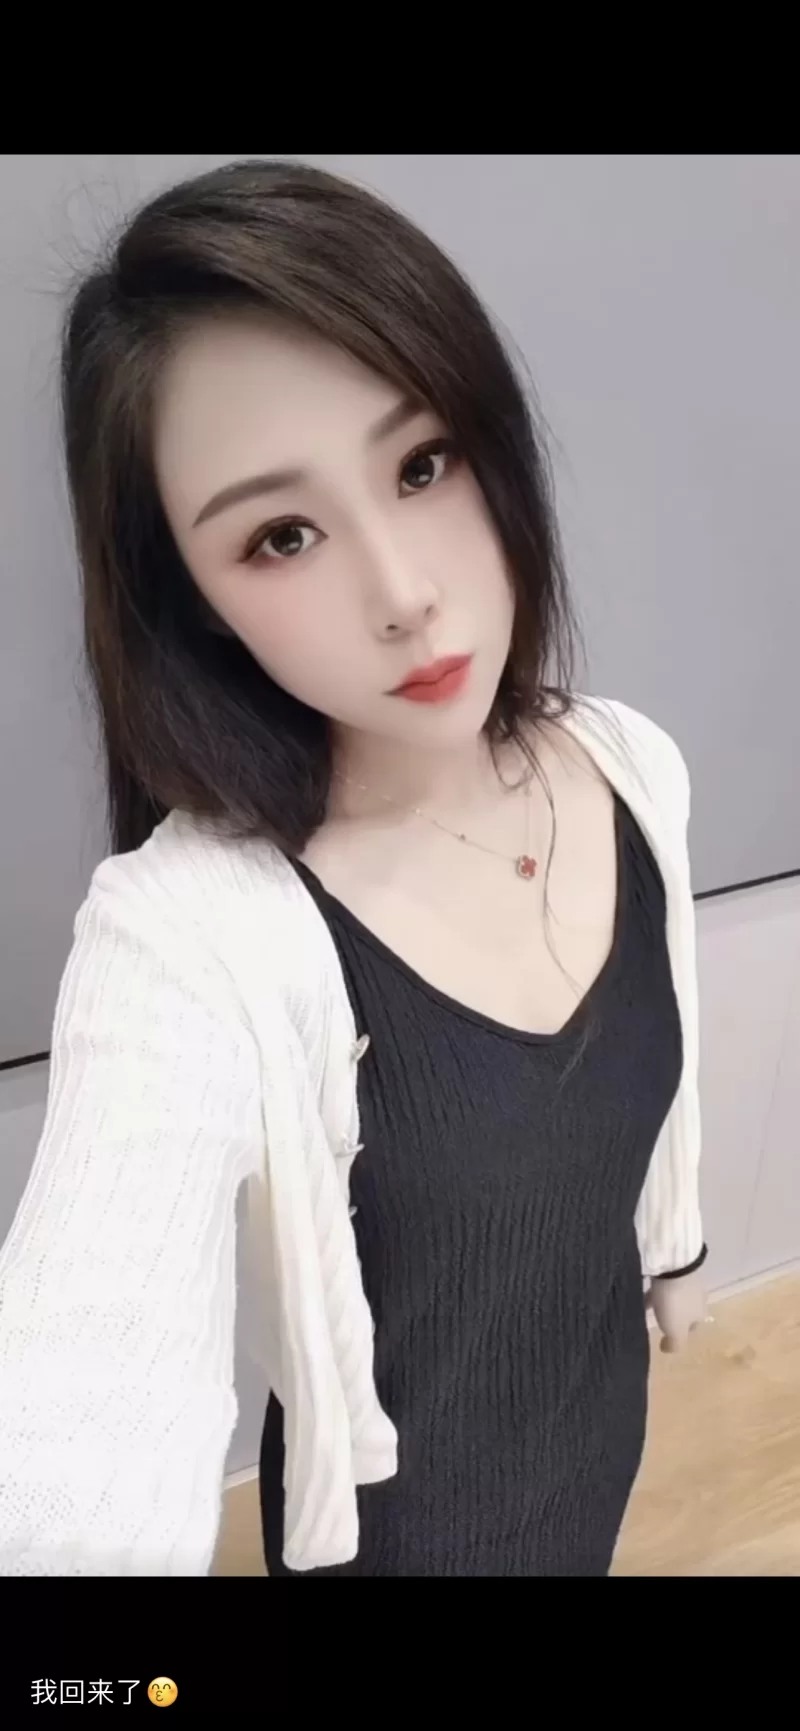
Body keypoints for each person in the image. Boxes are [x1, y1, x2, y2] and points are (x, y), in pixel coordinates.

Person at [0, 158, 707, 1578]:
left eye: (423, 464)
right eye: (282, 536)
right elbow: (73, 1443)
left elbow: (653, 1083)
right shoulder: (187, 937)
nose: (405, 593)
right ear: (192, 599)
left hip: (599, 1455)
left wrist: (673, 1242)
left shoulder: (632, 764)